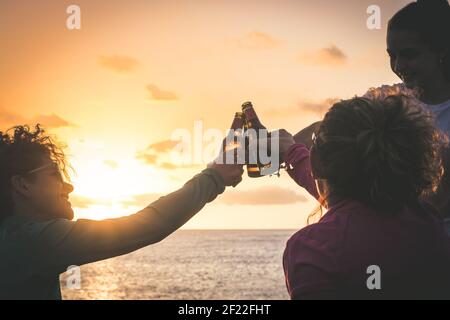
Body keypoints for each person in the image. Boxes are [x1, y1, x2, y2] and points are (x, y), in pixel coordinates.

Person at [0, 124, 244, 300]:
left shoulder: (15, 239)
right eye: (54, 174)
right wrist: (215, 177)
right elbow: (148, 225)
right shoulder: (30, 242)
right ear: (22, 185)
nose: (69, 185)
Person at [293, 0, 450, 225]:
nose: (398, 66)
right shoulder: (386, 100)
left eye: (409, 54)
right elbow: (307, 139)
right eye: (392, 56)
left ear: (441, 49)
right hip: (392, 243)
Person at [278, 95, 450, 299]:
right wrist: (295, 154)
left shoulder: (312, 249)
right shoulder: (428, 220)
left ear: (316, 160)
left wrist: (296, 154)